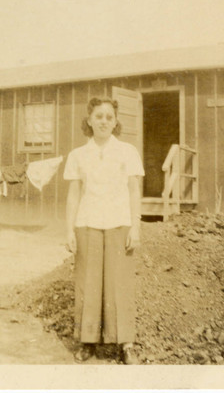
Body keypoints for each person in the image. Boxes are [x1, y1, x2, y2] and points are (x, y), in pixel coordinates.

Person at [63, 97, 144, 364]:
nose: (104, 121)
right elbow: (74, 195)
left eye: (109, 117)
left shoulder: (128, 151)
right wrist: (69, 230)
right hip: (87, 223)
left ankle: (126, 343)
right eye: (99, 116)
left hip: (119, 222)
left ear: (115, 121)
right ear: (89, 120)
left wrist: (136, 226)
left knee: (119, 283)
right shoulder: (78, 155)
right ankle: (87, 341)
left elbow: (134, 190)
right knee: (88, 282)